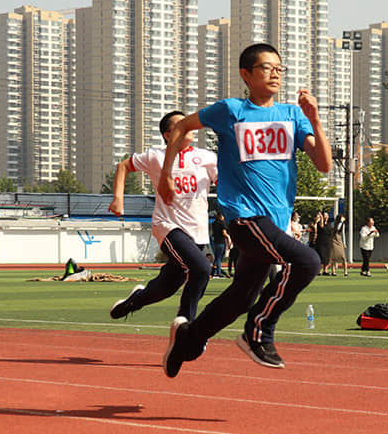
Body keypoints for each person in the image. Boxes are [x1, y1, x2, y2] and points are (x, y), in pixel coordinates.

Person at [157, 42, 332, 376]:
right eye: (267, 67)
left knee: (240, 297)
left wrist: (315, 120)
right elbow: (180, 127)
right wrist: (166, 174)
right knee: (308, 260)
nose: (275, 73)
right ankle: (259, 331)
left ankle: (188, 337)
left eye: (280, 68)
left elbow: (323, 164)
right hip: (244, 215)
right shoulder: (230, 110)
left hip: (275, 222)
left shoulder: (293, 115)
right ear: (246, 74)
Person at [108, 110, 218, 321]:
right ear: (168, 135)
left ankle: (132, 302)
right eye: (180, 125)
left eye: (188, 123)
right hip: (167, 226)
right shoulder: (155, 156)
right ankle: (185, 323)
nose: (187, 127)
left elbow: (224, 184)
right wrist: (118, 198)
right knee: (203, 268)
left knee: (165, 288)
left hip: (198, 232)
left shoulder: (207, 157)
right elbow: (123, 166)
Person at [210, 212, 230, 278]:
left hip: (215, 241)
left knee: (216, 257)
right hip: (221, 242)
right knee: (219, 258)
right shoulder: (222, 223)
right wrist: (228, 237)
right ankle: (218, 272)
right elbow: (224, 233)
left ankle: (212, 272)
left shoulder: (214, 223)